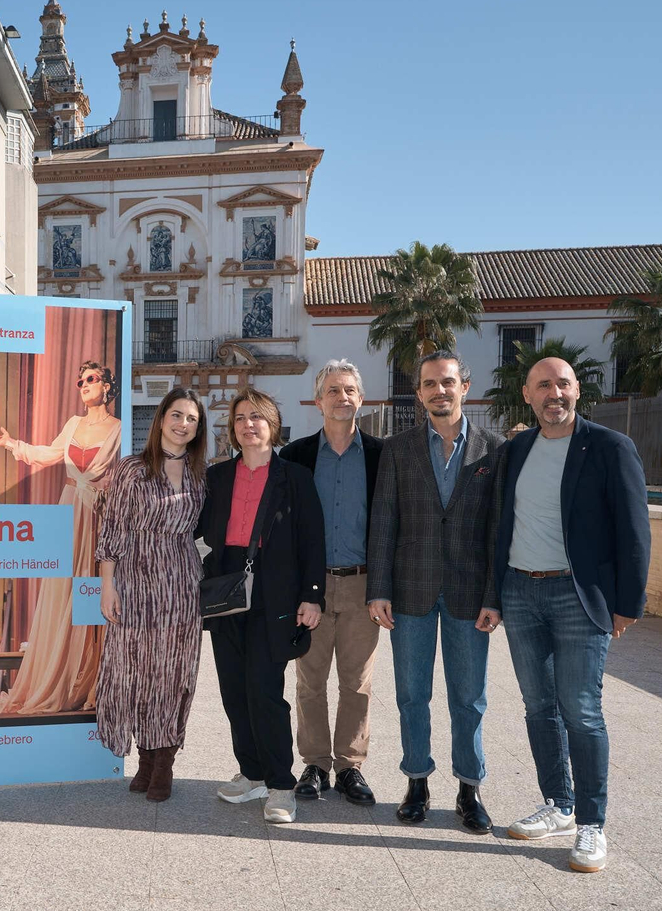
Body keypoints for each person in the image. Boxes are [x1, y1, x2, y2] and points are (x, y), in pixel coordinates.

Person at [488, 358, 650, 873]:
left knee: (581, 710)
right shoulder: (515, 450)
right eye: (543, 385)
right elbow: (499, 527)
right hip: (520, 592)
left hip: (578, 598)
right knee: (539, 707)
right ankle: (558, 805)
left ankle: (591, 825)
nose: (553, 393)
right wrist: (494, 593)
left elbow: (634, 531)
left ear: (577, 390)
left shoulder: (609, 447)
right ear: (527, 395)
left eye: (562, 383)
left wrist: (627, 604)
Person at [367, 350, 504, 833]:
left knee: (469, 697)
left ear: (465, 386)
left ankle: (470, 789)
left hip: (470, 596)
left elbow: (496, 530)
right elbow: (383, 522)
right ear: (419, 391)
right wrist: (377, 588)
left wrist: (494, 595)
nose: (438, 390)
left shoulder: (494, 448)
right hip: (410, 590)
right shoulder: (397, 449)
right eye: (429, 383)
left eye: (447, 382)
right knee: (411, 694)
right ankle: (417, 781)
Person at [200, 389, 325, 824]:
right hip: (226, 590)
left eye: (256, 417)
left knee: (264, 691)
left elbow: (312, 540)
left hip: (275, 592)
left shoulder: (295, 477)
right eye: (239, 418)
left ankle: (280, 785)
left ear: (272, 424)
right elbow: (200, 535)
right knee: (234, 690)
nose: (247, 424)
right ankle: (251, 773)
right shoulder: (216, 478)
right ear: (232, 429)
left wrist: (312, 595)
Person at [0, 360, 121, 715]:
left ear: (107, 386)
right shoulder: (73, 424)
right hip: (70, 513)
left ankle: (94, 683)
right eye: (80, 381)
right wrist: (10, 443)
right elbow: (48, 454)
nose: (83, 385)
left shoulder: (120, 430)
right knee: (63, 590)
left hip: (100, 517)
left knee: (93, 594)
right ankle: (60, 678)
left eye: (91, 379)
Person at [278, 360, 384, 805]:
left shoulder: (383, 455)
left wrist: (385, 587)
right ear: (318, 400)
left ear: (360, 399)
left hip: (363, 585)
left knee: (356, 682)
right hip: (312, 587)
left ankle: (350, 767)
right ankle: (316, 764)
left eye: (350, 390)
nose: (342, 398)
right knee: (310, 679)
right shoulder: (296, 456)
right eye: (333, 391)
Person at [96, 388, 207, 802]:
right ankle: (145, 756)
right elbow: (113, 528)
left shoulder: (200, 473)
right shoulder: (132, 469)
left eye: (191, 419)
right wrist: (108, 585)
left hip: (180, 583)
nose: (183, 424)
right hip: (135, 582)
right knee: (138, 671)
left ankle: (164, 761)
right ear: (161, 419)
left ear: (198, 429)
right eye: (176, 415)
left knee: (173, 673)